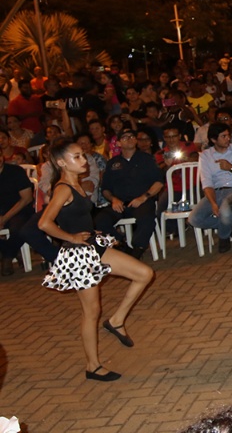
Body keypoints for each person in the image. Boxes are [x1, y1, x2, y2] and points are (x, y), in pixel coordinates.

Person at [39, 139, 154, 382]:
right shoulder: (62, 189)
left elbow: (77, 218)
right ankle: (92, 366)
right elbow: (44, 223)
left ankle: (116, 321)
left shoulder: (75, 185)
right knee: (91, 312)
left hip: (92, 245)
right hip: (78, 255)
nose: (83, 160)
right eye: (77, 157)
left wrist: (95, 234)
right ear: (61, 163)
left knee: (144, 274)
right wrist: (70, 236)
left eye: (83, 155)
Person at [96, 127, 165, 260]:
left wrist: (144, 197)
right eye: (125, 137)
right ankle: (122, 245)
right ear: (118, 143)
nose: (130, 139)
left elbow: (159, 182)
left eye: (132, 136)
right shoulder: (113, 164)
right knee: (100, 221)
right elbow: (105, 189)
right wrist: (114, 199)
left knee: (146, 218)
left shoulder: (146, 159)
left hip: (142, 201)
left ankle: (137, 249)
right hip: (120, 203)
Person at [189, 122, 232, 253]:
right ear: (213, 139)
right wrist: (213, 202)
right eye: (224, 136)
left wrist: (231, 168)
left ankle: (224, 237)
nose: (228, 139)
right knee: (194, 219)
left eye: (228, 135)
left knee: (225, 212)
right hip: (215, 191)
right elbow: (206, 182)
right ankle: (230, 226)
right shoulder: (205, 155)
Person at [0, 152, 36, 275]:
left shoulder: (15, 171)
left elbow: (26, 199)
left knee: (20, 229)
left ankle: (7, 255)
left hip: (19, 210)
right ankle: (11, 251)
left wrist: (4, 218)